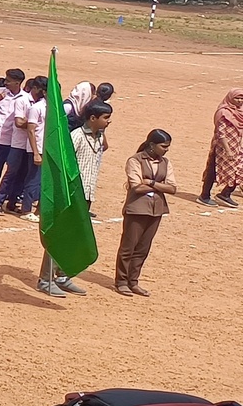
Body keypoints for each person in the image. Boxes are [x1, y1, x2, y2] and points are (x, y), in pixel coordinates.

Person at [39, 101, 110, 296]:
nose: (108, 122)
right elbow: (65, 164)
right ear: (93, 118)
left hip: (87, 193)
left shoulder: (99, 136)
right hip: (73, 195)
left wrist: (101, 131)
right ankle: (45, 279)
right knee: (60, 235)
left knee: (74, 236)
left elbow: (104, 147)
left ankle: (62, 275)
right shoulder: (77, 136)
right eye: (105, 118)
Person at [118, 129, 175, 297]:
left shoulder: (165, 162)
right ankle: (121, 281)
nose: (166, 150)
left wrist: (150, 182)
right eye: (163, 146)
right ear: (152, 145)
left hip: (156, 210)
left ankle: (133, 281)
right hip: (136, 208)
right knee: (128, 247)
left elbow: (172, 188)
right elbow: (136, 187)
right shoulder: (135, 160)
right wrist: (160, 186)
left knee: (143, 248)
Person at [200, 89, 243, 208]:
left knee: (239, 170)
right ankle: (204, 196)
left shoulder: (240, 112)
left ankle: (225, 194)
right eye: (237, 98)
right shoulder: (223, 112)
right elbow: (221, 133)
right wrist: (228, 150)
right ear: (230, 98)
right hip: (221, 148)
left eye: (242, 98)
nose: (240, 101)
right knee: (213, 170)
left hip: (237, 147)